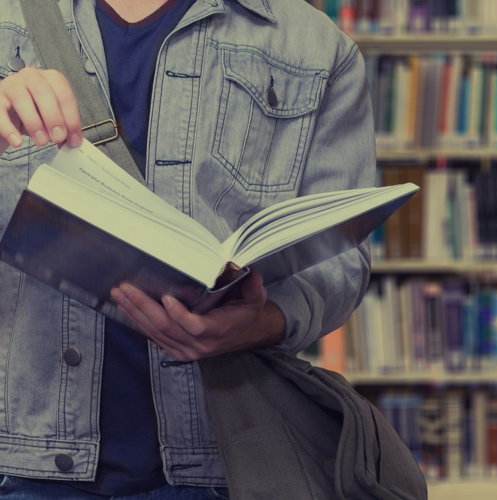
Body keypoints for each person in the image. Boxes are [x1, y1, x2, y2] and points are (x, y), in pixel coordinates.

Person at [0, 0, 375, 497]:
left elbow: (340, 259)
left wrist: (259, 322)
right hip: (21, 463)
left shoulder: (317, 47)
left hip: (226, 464)